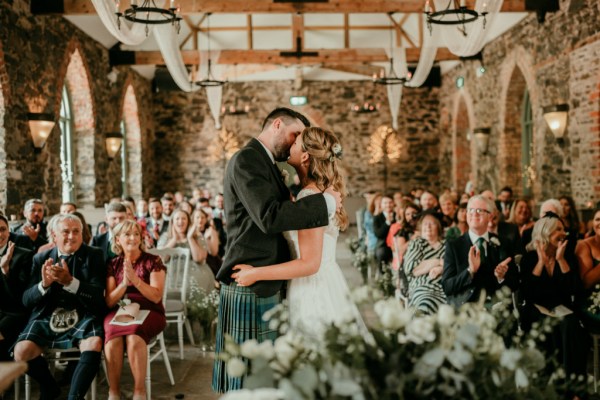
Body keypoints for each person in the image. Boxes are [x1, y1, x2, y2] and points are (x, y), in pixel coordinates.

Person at [212, 108, 339, 393]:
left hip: (265, 279)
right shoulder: (248, 159)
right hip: (251, 280)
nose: (296, 142)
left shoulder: (265, 162)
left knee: (263, 373)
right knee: (248, 377)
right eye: (295, 134)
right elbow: (270, 216)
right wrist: (325, 204)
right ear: (277, 124)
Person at [231, 126, 368, 337]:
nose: (290, 143)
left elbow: (309, 264)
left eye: (295, 142)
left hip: (312, 288)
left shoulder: (310, 197)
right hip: (324, 280)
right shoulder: (316, 196)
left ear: (305, 156)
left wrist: (255, 273)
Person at [14, 213, 106, 400]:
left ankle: (75, 396)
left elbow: (98, 297)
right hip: (48, 314)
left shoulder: (94, 255)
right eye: (65, 232)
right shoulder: (40, 258)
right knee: (21, 352)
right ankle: (50, 387)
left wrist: (71, 282)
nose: (71, 236)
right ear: (54, 236)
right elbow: (26, 299)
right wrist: (44, 285)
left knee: (94, 343)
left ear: (82, 234)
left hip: (83, 312)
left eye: (76, 232)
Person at [103, 220, 167, 400]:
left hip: (150, 309)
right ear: (117, 240)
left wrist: (135, 280)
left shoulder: (153, 261)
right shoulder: (113, 264)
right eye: (127, 234)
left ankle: (140, 391)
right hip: (120, 310)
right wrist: (124, 283)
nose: (133, 238)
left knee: (133, 335)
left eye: (136, 234)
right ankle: (113, 391)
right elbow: (109, 301)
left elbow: (156, 296)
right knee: (112, 335)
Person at [519, 213, 588, 378]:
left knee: (570, 323)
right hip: (536, 310)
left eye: (563, 229)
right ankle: (549, 381)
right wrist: (541, 263)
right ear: (545, 232)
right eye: (558, 229)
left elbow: (575, 290)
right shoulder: (529, 258)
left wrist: (561, 260)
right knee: (550, 324)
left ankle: (572, 384)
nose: (563, 233)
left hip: (561, 309)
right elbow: (528, 293)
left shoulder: (566, 256)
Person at [442, 195, 518, 307]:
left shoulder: (503, 243)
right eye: (470, 210)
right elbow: (447, 287)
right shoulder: (454, 246)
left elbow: (515, 283)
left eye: (479, 210)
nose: (474, 213)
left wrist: (501, 277)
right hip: (466, 309)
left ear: (489, 216)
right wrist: (470, 271)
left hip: (496, 308)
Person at [0, 214, 34, 360]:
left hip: (15, 312)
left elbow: (21, 296)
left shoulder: (24, 255)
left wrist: (6, 270)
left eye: (2, 229)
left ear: (9, 231)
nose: (0, 234)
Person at [158, 208, 215, 293]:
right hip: (171, 276)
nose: (180, 221)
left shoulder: (197, 237)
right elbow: (161, 259)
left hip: (195, 275)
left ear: (188, 222)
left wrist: (190, 238)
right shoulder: (165, 237)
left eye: (184, 218)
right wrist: (174, 240)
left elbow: (199, 259)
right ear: (172, 222)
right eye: (177, 219)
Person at [403, 212, 446, 314]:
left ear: (438, 227)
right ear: (421, 228)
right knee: (426, 303)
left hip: (445, 286)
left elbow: (452, 266)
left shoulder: (447, 244)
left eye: (432, 223)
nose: (428, 226)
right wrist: (438, 261)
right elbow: (412, 268)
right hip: (422, 286)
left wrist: (441, 268)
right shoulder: (417, 243)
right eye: (425, 224)